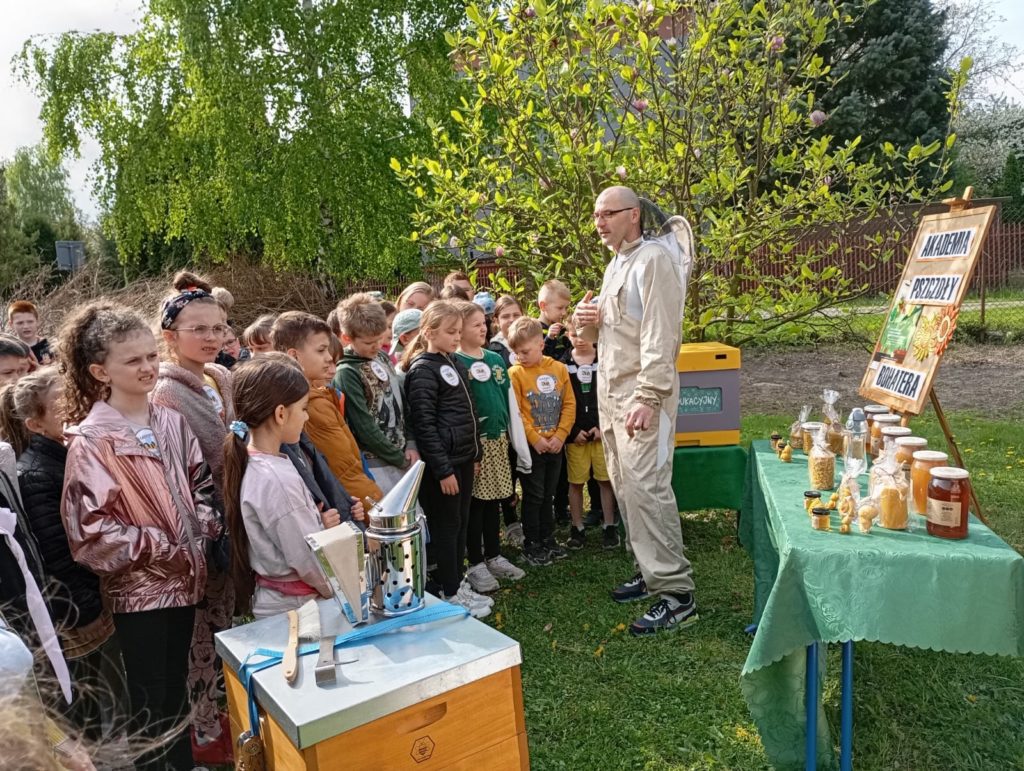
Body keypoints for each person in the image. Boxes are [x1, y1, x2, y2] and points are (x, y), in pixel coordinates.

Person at [59, 302, 220, 770]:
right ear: (100, 371)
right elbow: (90, 533)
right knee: (150, 699)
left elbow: (200, 483)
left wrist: (204, 526)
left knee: (176, 689)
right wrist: (164, 547)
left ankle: (183, 764)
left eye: (151, 356)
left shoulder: (169, 419)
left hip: (186, 579)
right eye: (132, 360)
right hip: (140, 591)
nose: (148, 367)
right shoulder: (93, 441)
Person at [573, 185, 698, 635]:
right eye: (596, 215)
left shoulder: (654, 260)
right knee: (626, 488)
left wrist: (648, 396)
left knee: (648, 488)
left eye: (608, 213)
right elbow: (617, 332)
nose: (599, 222)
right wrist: (588, 323)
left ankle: (678, 594)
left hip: (643, 398)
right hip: (612, 396)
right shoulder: (615, 265)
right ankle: (649, 571)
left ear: (634, 215)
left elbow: (661, 335)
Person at [1, 367, 129, 744]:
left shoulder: (71, 452)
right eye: (60, 404)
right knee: (95, 703)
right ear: (35, 424)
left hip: (94, 603)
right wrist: (87, 609)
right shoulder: (37, 474)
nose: (74, 406)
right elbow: (56, 554)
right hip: (81, 615)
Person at [150, 271, 234, 765]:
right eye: (197, 329)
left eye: (218, 327)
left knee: (224, 620)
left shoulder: (220, 377)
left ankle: (222, 710)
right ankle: (203, 728)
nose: (210, 337)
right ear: (170, 336)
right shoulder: (166, 392)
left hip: (233, 517)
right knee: (200, 633)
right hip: (201, 529)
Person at [221, 357, 340, 619]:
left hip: (285, 603)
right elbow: (306, 557)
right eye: (303, 409)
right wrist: (340, 589)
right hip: (299, 611)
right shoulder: (275, 478)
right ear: (281, 414)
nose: (306, 416)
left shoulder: (259, 463)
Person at [402, 301, 491, 618]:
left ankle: (458, 582)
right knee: (447, 526)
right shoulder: (422, 370)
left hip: (463, 459)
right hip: (445, 466)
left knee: (460, 523)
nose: (457, 337)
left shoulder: (452, 361)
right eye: (451, 332)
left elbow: (469, 411)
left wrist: (475, 454)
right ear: (428, 332)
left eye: (458, 331)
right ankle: (450, 592)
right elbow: (424, 425)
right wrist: (442, 470)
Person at [271, 312, 383, 506]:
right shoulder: (310, 406)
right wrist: (372, 508)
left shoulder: (320, 397)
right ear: (294, 355)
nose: (329, 357)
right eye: (321, 350)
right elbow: (344, 474)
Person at [453, 301, 527, 592]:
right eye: (475, 325)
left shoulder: (496, 359)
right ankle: (475, 562)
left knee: (495, 500)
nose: (482, 329)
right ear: (459, 330)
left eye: (483, 323)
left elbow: (507, 401)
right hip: (475, 446)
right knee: (476, 504)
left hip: (498, 440)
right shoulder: (456, 362)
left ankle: (494, 555)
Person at [332, 294, 418, 497]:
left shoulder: (382, 357)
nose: (377, 346)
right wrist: (399, 458)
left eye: (380, 339)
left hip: (404, 455)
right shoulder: (346, 372)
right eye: (369, 342)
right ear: (347, 338)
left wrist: (410, 442)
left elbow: (402, 403)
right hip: (376, 464)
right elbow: (364, 426)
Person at [507, 317, 575, 566]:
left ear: (540, 344)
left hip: (555, 444)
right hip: (531, 448)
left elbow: (569, 404)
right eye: (516, 352)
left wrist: (560, 435)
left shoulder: (559, 369)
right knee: (533, 495)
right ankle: (532, 542)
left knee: (549, 494)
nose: (520, 357)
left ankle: (548, 538)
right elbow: (516, 412)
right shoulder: (515, 373)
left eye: (525, 351)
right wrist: (535, 439)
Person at [562, 326, 619, 551]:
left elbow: (611, 395)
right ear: (568, 336)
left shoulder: (605, 359)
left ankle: (609, 525)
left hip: (600, 433)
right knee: (576, 482)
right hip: (575, 436)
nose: (580, 339)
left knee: (605, 480)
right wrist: (572, 430)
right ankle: (577, 527)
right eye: (575, 334)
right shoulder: (562, 364)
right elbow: (561, 400)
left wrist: (602, 426)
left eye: (585, 334)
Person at [485, 294, 525, 544]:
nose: (511, 320)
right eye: (505, 316)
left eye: (516, 315)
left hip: (529, 419)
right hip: (505, 421)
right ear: (496, 321)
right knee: (507, 474)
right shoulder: (493, 350)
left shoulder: (529, 342)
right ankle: (511, 523)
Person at [6, 300, 54, 365]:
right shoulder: (9, 351)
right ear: (11, 324)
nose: (26, 326)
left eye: (30, 322)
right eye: (20, 323)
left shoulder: (50, 346)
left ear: (37, 321)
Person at [537, 279, 572, 361]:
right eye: (560, 308)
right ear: (543, 306)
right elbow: (536, 357)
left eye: (566, 308)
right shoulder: (533, 330)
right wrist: (549, 338)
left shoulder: (562, 330)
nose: (564, 313)